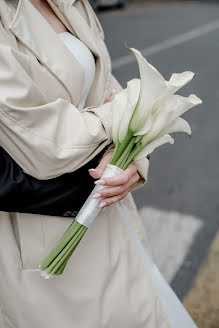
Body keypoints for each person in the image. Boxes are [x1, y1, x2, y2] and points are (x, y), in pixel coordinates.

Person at [0, 0, 170, 327]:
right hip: (39, 228)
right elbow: (46, 144)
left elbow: (106, 87)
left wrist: (132, 160)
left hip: (105, 209)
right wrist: (125, 112)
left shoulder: (70, 3)